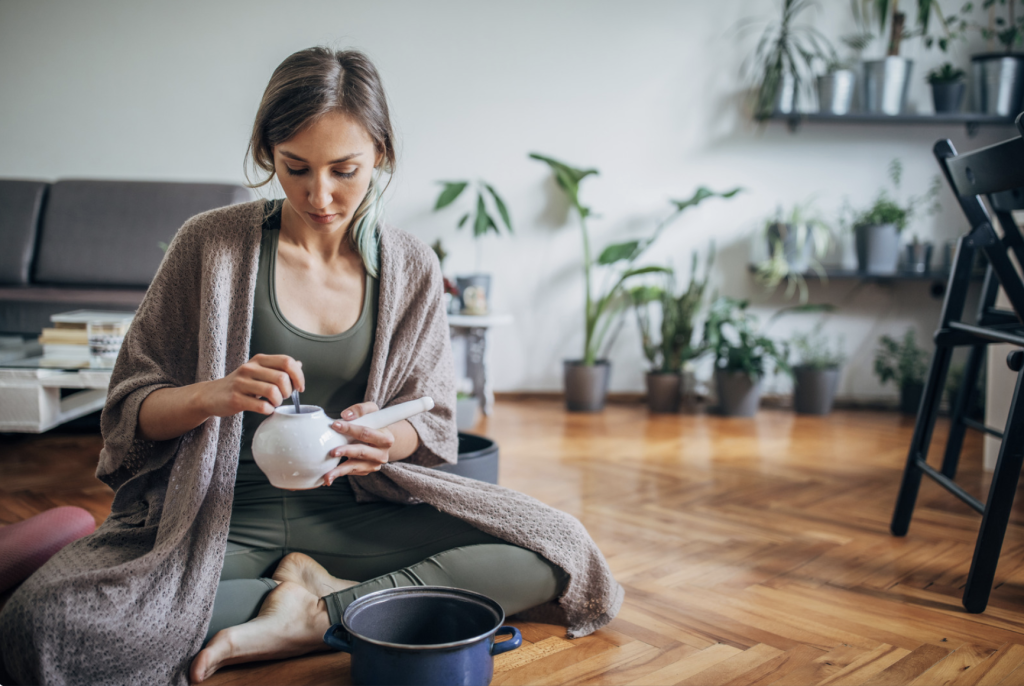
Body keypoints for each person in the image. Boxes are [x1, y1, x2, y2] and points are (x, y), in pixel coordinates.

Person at [0, 47, 622, 686]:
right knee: (44, 626)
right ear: (268, 151)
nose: (318, 195)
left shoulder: (410, 266)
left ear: (379, 153)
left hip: (357, 511)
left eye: (344, 170)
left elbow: (432, 416)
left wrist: (388, 438)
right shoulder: (211, 245)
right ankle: (357, 608)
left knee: (557, 551)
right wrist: (214, 394)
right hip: (222, 512)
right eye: (295, 167)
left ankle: (313, 614)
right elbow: (129, 412)